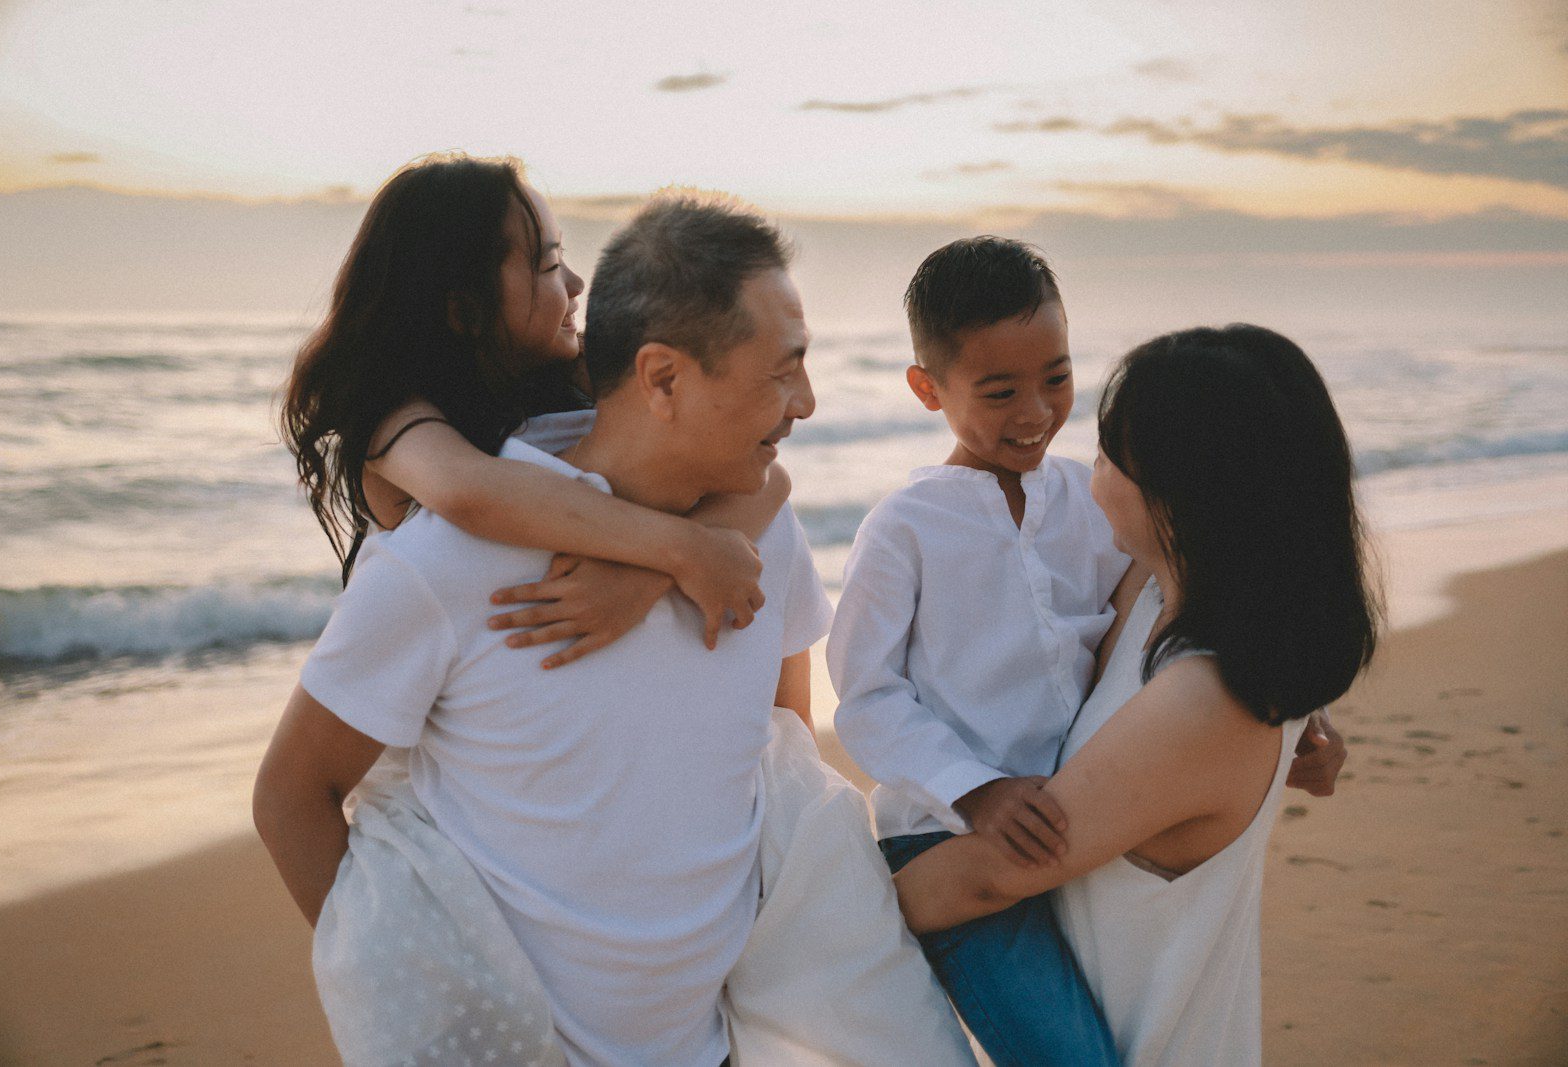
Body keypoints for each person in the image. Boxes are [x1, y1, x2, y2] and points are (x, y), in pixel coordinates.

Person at [256, 195, 973, 1066]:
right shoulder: (446, 556)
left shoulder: (758, 531)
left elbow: (776, 750)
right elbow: (292, 796)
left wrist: (654, 569)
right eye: (782, 371)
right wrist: (409, 987)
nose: (809, 403)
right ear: (663, 378)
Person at [830, 238, 1347, 1064]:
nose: (1036, 412)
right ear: (928, 389)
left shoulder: (1078, 500)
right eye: (1000, 391)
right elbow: (864, 695)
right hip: (948, 834)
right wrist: (978, 789)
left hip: (1051, 837)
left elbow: (1213, 594)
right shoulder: (905, 527)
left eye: (1058, 380)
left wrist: (1295, 710)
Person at [280, 152, 787, 677]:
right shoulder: (394, 418)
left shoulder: (580, 372)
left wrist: (644, 581)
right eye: (547, 265)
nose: (576, 284)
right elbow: (468, 491)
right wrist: (685, 551)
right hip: (428, 720)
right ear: (462, 308)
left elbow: (764, 473)